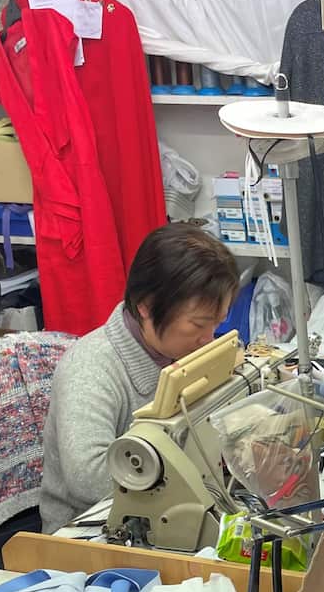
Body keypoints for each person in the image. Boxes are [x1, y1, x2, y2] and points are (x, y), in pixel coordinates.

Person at [39, 224, 238, 535]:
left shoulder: (184, 349)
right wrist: (182, 473)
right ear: (145, 304)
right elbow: (87, 479)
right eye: (198, 323)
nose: (208, 338)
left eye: (218, 322)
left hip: (170, 517)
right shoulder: (90, 367)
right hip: (89, 534)